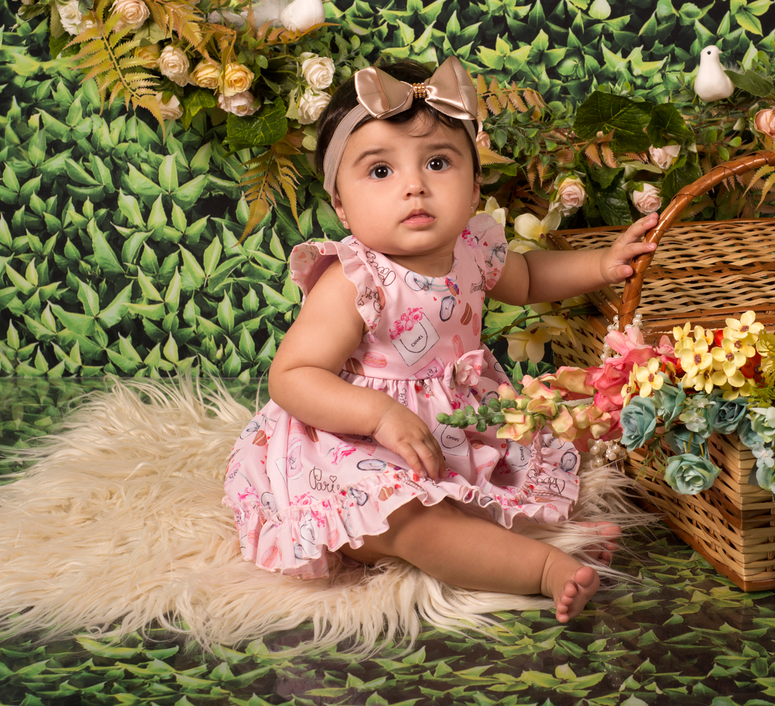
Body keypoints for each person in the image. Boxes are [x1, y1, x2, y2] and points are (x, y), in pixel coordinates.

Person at [222, 57, 658, 623]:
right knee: (411, 522)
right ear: (340, 204)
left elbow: (528, 279)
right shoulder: (354, 279)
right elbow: (292, 377)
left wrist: (603, 264)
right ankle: (544, 568)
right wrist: (379, 415)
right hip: (349, 444)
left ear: (474, 188)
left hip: (455, 423)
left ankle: (533, 532)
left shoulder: (473, 251)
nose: (414, 186)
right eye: (380, 172)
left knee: (551, 440)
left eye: (437, 162)